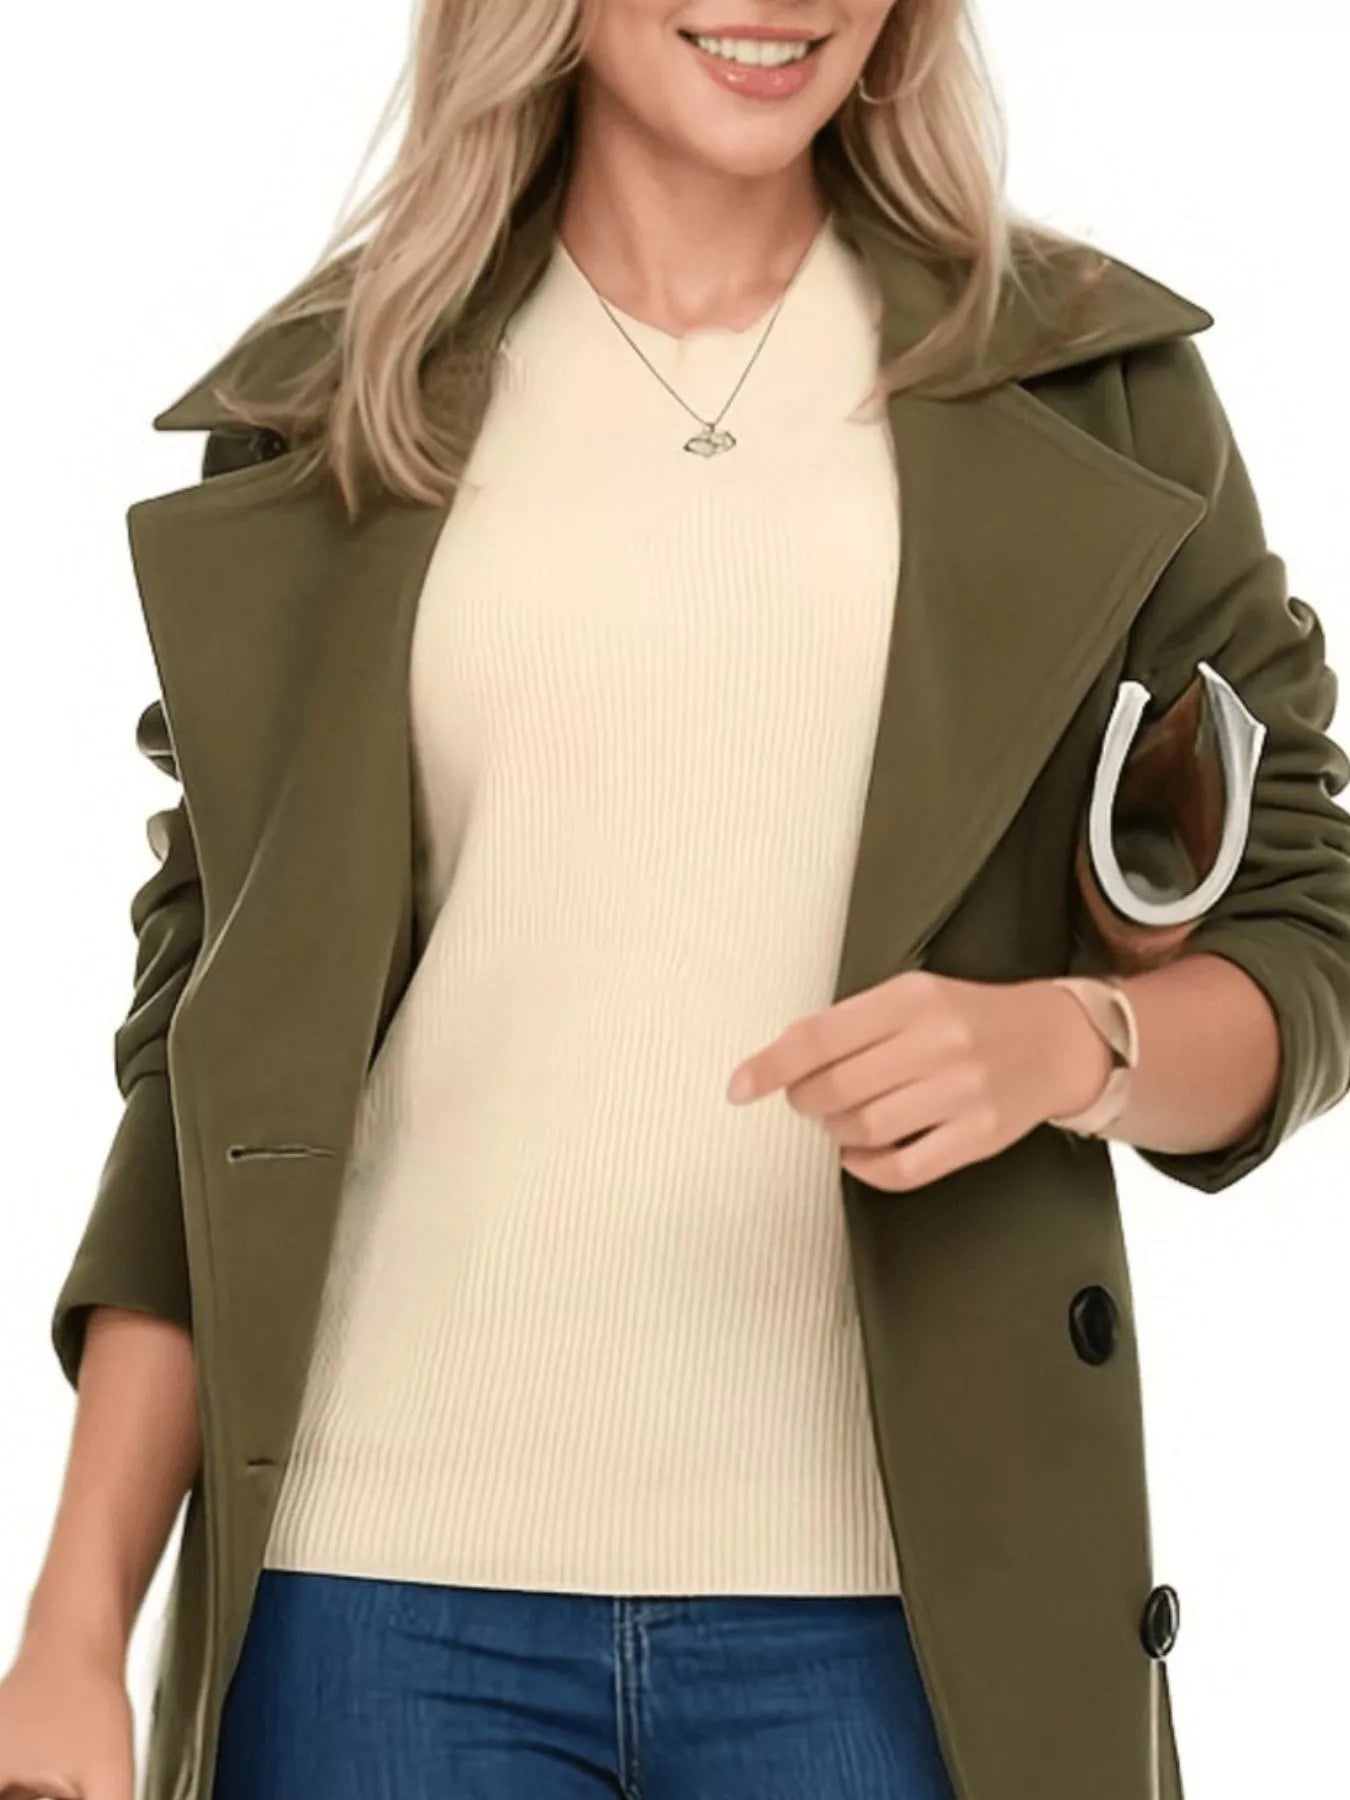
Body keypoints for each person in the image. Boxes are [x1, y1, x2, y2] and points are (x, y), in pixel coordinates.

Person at [4, 2, 1349, 1797]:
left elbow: (1301, 927)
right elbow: (207, 1061)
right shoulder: (331, 405)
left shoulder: (1081, 384)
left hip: (904, 1615)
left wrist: (1069, 1043)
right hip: (373, 1598)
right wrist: (74, 1620)